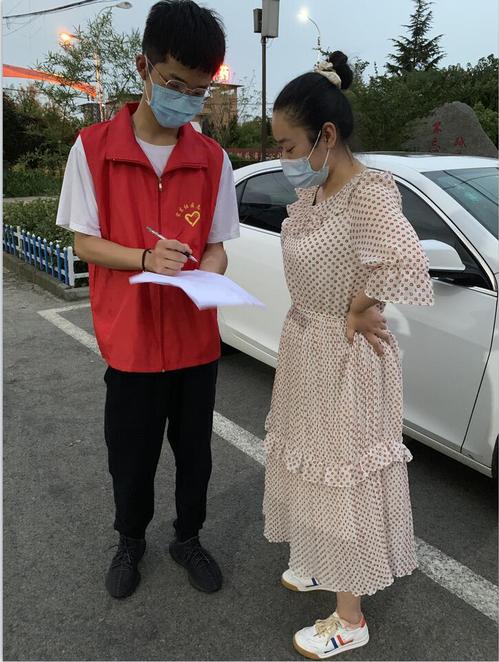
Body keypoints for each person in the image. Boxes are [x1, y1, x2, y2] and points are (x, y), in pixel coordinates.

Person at [56, 0, 239, 599]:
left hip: (194, 343)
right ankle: (130, 541)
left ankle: (188, 537)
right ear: (144, 66)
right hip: (130, 343)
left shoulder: (211, 160)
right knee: (130, 457)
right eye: (175, 84)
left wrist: (206, 276)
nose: (186, 99)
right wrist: (143, 258)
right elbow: (84, 242)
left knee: (195, 457)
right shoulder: (93, 149)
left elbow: (217, 247)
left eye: (199, 90)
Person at [263, 51, 434, 658]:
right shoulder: (315, 196)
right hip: (307, 350)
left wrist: (361, 304)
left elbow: (402, 257)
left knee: (343, 473)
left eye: (288, 146)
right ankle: (321, 559)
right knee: (310, 460)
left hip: (345, 360)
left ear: (326, 136)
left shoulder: (367, 192)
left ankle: (350, 616)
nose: (283, 157)